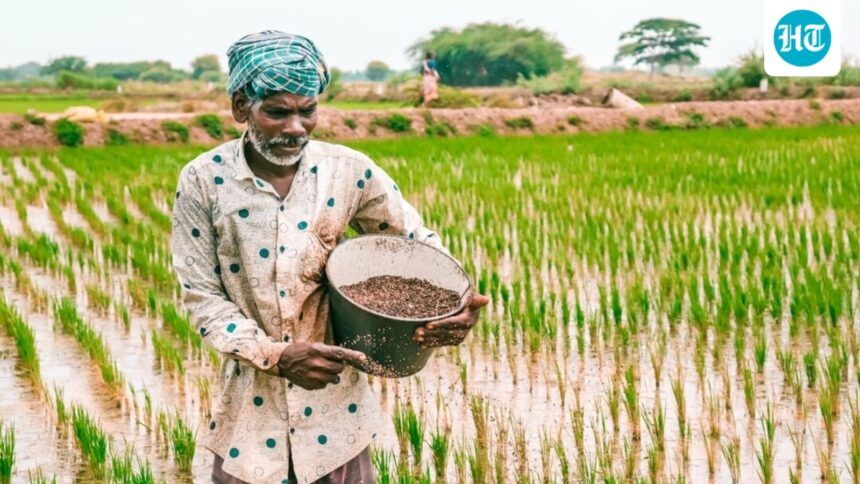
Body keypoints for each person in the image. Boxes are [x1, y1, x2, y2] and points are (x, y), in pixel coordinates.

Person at [169, 31, 489, 484]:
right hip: (249, 424)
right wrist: (276, 354)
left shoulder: (348, 171)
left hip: (336, 422)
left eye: (308, 111)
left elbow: (415, 243)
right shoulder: (204, 180)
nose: (295, 127)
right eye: (277, 112)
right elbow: (202, 296)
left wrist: (457, 305)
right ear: (241, 106)